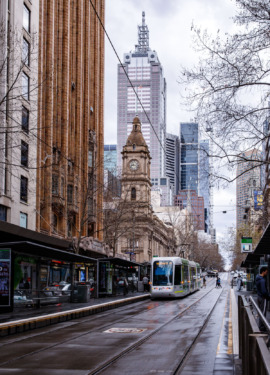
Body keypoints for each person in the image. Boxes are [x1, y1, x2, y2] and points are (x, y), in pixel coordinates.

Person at [255, 266, 270, 332]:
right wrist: (268, 297)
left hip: (259, 297)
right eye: (266, 272)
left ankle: (261, 327)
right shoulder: (262, 280)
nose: (267, 273)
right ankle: (262, 328)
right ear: (263, 271)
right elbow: (264, 291)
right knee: (263, 313)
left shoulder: (257, 278)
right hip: (263, 298)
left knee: (261, 312)